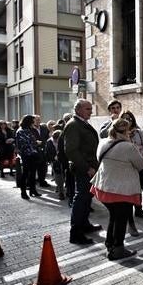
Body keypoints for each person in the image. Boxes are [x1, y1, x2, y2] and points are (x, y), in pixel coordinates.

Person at [91, 118, 143, 260]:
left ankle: (110, 245)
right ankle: (118, 249)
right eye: (129, 130)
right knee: (120, 220)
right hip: (122, 190)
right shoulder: (128, 147)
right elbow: (140, 165)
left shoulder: (102, 142)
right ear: (125, 131)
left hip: (104, 187)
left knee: (114, 217)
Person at [63, 99, 103, 245]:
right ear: (78, 109)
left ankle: (85, 225)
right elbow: (71, 151)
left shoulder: (82, 123)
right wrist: (87, 168)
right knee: (81, 199)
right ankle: (76, 233)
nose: (91, 111)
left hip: (90, 168)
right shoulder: (73, 125)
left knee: (87, 198)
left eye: (91, 109)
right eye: (88, 109)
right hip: (84, 169)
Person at [15, 115, 42, 200]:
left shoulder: (28, 130)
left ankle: (33, 190)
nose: (34, 123)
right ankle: (23, 192)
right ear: (29, 122)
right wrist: (36, 143)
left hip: (32, 154)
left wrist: (34, 143)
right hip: (26, 155)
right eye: (33, 121)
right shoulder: (21, 131)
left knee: (33, 173)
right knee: (25, 173)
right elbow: (24, 144)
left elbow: (31, 141)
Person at [58, 113, 75, 207]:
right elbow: (61, 150)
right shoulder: (63, 133)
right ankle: (71, 199)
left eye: (70, 118)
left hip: (78, 162)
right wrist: (65, 164)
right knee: (70, 182)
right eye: (67, 119)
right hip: (68, 163)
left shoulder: (76, 130)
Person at [46, 130, 65, 200]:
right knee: (58, 176)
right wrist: (53, 158)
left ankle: (61, 187)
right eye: (55, 140)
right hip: (54, 162)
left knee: (63, 176)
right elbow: (47, 153)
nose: (56, 142)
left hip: (63, 161)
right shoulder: (49, 142)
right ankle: (61, 192)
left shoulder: (63, 141)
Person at [32, 115, 50, 187]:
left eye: (39, 119)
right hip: (34, 150)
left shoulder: (44, 128)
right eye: (36, 120)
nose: (38, 121)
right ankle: (32, 183)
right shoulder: (30, 129)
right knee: (33, 167)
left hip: (43, 150)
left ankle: (42, 181)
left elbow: (47, 137)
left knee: (43, 167)